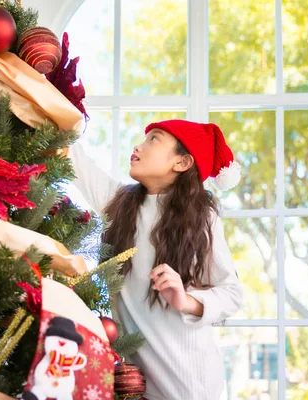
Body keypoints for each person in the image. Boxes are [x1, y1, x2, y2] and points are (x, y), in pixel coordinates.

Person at [69, 119, 244, 400]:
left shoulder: (202, 219)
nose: (138, 145)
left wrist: (185, 300)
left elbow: (232, 293)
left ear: (183, 162)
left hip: (190, 387)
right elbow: (71, 155)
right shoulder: (118, 203)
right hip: (133, 387)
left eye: (154, 139)